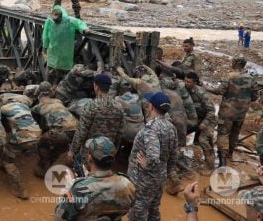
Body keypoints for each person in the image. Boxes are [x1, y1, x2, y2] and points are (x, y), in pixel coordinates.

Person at [55, 136, 136, 221]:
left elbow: (60, 217)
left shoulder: (78, 189)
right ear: (113, 159)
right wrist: (88, 179)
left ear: (89, 158)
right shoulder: (128, 184)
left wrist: (69, 188)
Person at [128, 91, 179, 220]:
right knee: (153, 209)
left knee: (138, 212)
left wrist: (147, 164)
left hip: (144, 180)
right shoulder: (171, 127)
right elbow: (173, 156)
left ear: (151, 107)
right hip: (159, 178)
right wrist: (164, 171)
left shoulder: (151, 129)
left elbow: (153, 156)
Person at [204, 57, 258, 165]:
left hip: (227, 112)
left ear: (234, 63)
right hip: (241, 113)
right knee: (235, 133)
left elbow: (219, 91)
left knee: (223, 133)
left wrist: (205, 87)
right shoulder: (251, 78)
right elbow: (254, 97)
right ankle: (230, 154)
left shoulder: (229, 76)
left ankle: (222, 161)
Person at [68, 74, 124, 166]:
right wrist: (114, 150)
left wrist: (72, 151)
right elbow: (119, 133)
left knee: (87, 177)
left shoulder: (92, 105)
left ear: (96, 87)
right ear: (108, 88)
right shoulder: (119, 106)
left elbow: (81, 131)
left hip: (90, 152)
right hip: (108, 151)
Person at [0, 92, 41, 200]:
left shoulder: (4, 107)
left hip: (24, 137)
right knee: (10, 147)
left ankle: (21, 189)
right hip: (37, 135)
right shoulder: (25, 105)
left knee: (8, 162)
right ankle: (5, 165)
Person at [32, 82, 78, 178]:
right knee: (60, 147)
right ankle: (47, 165)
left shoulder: (37, 107)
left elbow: (38, 125)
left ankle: (43, 167)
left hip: (59, 132)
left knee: (41, 143)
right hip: (76, 131)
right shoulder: (58, 101)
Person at [42, 5, 89, 86]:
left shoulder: (69, 20)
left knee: (64, 74)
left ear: (61, 16)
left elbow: (79, 23)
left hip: (65, 51)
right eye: (54, 19)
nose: (55, 21)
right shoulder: (49, 21)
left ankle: (61, 88)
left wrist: (84, 29)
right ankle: (48, 87)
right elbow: (45, 35)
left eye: (57, 19)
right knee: (50, 72)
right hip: (53, 50)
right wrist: (45, 47)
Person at [182, 71, 217, 173]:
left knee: (203, 140)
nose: (186, 83)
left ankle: (210, 167)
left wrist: (204, 124)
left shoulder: (201, 93)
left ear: (195, 83)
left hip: (208, 120)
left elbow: (212, 111)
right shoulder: (184, 90)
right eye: (185, 81)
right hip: (196, 119)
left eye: (189, 82)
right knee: (182, 132)